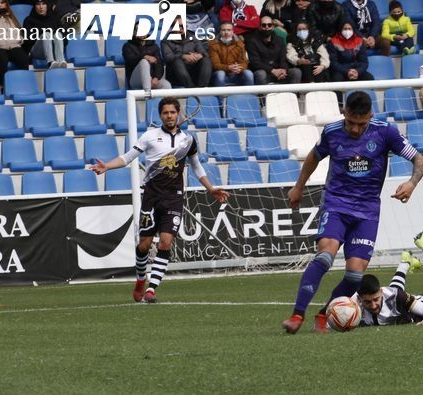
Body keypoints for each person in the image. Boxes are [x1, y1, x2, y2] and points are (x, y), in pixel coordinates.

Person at [281, 91, 423, 334]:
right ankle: (297, 315)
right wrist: (298, 187)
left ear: (371, 116)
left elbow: (420, 161)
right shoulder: (332, 131)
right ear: (344, 113)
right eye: (351, 122)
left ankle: (324, 313)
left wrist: (412, 183)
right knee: (325, 255)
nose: (356, 129)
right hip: (336, 204)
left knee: (355, 274)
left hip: (367, 211)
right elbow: (313, 158)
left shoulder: (385, 132)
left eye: (361, 124)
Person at [89, 97, 230, 303]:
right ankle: (140, 280)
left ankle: (151, 289)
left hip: (174, 197)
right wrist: (106, 166)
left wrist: (210, 188)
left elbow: (196, 166)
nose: (169, 116)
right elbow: (128, 157)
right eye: (165, 113)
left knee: (166, 242)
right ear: (160, 115)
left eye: (173, 112)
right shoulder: (150, 136)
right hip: (151, 197)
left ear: (178, 114)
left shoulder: (188, 140)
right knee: (144, 244)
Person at [354, 219, 423, 327]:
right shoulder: (353, 302)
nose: (373, 305)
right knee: (394, 297)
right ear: (360, 299)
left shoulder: (393, 295)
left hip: (421, 305)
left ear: (381, 292)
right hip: (398, 301)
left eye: (376, 299)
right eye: (368, 302)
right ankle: (405, 261)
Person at [0, 0, 30, 86]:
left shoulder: (11, 18)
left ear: (6, 4)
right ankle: (3, 87)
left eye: (2, 2)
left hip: (12, 46)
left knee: (23, 58)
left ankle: (24, 85)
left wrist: (19, 40)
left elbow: (19, 32)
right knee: (2, 58)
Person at [246, 16, 301, 85]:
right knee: (261, 74)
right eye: (264, 25)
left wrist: (283, 70)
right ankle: (262, 95)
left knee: (296, 72)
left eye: (269, 25)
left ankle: (293, 95)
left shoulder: (280, 40)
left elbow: (283, 59)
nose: (267, 27)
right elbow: (255, 63)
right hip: (264, 72)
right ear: (260, 27)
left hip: (279, 72)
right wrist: (272, 71)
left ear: (273, 27)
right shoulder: (252, 41)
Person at [22, 0, 66, 69]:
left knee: (58, 33)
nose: (41, 7)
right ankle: (50, 62)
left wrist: (54, 34)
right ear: (35, 7)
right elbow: (27, 41)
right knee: (46, 34)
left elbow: (65, 40)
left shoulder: (54, 18)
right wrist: (43, 31)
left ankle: (61, 61)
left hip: (54, 49)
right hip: (37, 51)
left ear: (47, 6)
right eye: (38, 4)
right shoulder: (28, 20)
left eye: (43, 4)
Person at [209, 21, 254, 87]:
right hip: (220, 76)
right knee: (220, 74)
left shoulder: (240, 44)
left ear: (233, 32)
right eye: (223, 30)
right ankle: (222, 96)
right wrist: (228, 67)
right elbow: (215, 65)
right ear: (220, 32)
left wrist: (239, 68)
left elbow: (245, 62)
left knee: (248, 73)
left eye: (229, 30)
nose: (226, 32)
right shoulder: (213, 45)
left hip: (236, 74)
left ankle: (248, 96)